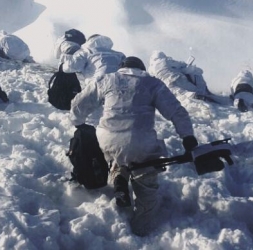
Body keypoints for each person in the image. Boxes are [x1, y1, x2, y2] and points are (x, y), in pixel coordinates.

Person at [69, 56, 197, 236]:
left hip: (107, 139)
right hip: (141, 143)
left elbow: (78, 103)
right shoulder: (153, 84)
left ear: (122, 67)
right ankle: (141, 230)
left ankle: (119, 176)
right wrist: (187, 137)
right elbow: (177, 111)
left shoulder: (107, 79)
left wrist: (78, 122)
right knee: (146, 183)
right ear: (141, 69)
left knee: (117, 154)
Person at [148, 51, 224, 104]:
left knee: (180, 93)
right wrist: (186, 65)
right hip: (177, 78)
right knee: (193, 88)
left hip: (166, 84)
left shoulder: (151, 69)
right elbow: (181, 64)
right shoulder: (165, 60)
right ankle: (202, 94)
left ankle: (192, 95)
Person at [59, 34, 125, 84]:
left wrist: (62, 66)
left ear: (89, 42)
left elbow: (71, 67)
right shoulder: (119, 54)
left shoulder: (86, 51)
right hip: (116, 84)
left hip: (97, 83)